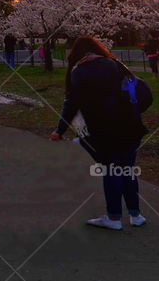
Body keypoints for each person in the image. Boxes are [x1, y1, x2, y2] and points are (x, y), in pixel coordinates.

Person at [51, 35, 148, 230]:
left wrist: (59, 130)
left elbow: (71, 103)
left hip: (104, 129)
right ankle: (136, 215)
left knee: (111, 169)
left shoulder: (79, 72)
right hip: (130, 126)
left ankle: (113, 217)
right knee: (127, 169)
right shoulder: (115, 64)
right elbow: (140, 91)